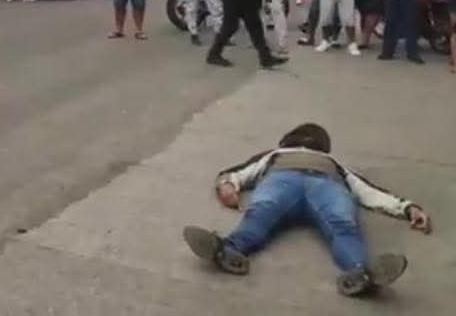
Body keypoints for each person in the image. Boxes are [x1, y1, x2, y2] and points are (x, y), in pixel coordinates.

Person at [182, 123, 430, 297]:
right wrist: (227, 185)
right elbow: (240, 172)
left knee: (269, 214)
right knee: (267, 215)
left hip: (300, 182)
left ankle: (361, 273)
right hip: (310, 183)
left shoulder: (332, 162)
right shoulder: (277, 154)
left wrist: (408, 208)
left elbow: (367, 189)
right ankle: (228, 250)